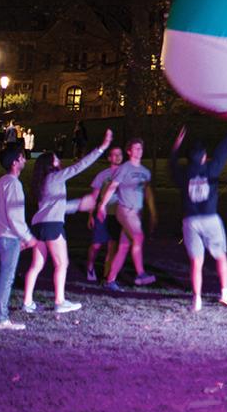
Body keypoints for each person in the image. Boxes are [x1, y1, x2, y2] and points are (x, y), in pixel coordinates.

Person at [23, 129, 114, 314]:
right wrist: (101, 148)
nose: (60, 161)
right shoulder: (56, 177)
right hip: (53, 226)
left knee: (36, 265)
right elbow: (79, 167)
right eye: (56, 159)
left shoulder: (42, 182)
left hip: (38, 226)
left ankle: (27, 302)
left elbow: (56, 206)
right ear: (50, 163)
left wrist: (78, 205)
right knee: (62, 264)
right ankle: (59, 301)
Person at [171, 115, 227, 312]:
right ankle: (225, 293)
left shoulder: (183, 174)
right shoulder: (211, 169)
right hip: (210, 219)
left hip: (190, 221)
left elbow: (172, 165)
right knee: (220, 256)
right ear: (204, 156)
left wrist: (175, 147)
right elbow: (223, 151)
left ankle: (197, 299)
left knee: (196, 261)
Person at [0, 148, 39, 330]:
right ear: (15, 162)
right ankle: (1, 318)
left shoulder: (0, 183)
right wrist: (28, 237)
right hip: (8, 238)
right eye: (22, 157)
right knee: (6, 279)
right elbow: (15, 216)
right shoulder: (13, 184)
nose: (24, 160)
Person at [98, 138, 156, 289]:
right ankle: (140, 273)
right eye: (136, 148)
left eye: (141, 148)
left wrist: (151, 211)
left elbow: (146, 192)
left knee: (124, 247)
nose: (139, 151)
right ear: (129, 151)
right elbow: (112, 186)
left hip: (136, 213)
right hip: (124, 210)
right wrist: (102, 205)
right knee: (138, 237)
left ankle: (110, 281)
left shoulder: (145, 172)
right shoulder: (124, 168)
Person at [84, 146, 124, 283]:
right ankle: (89, 265)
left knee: (113, 246)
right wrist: (90, 215)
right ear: (109, 158)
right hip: (102, 214)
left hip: (117, 215)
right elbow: (94, 197)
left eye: (120, 154)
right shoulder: (103, 175)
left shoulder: (125, 174)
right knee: (96, 245)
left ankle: (107, 277)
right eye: (114, 155)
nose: (118, 157)